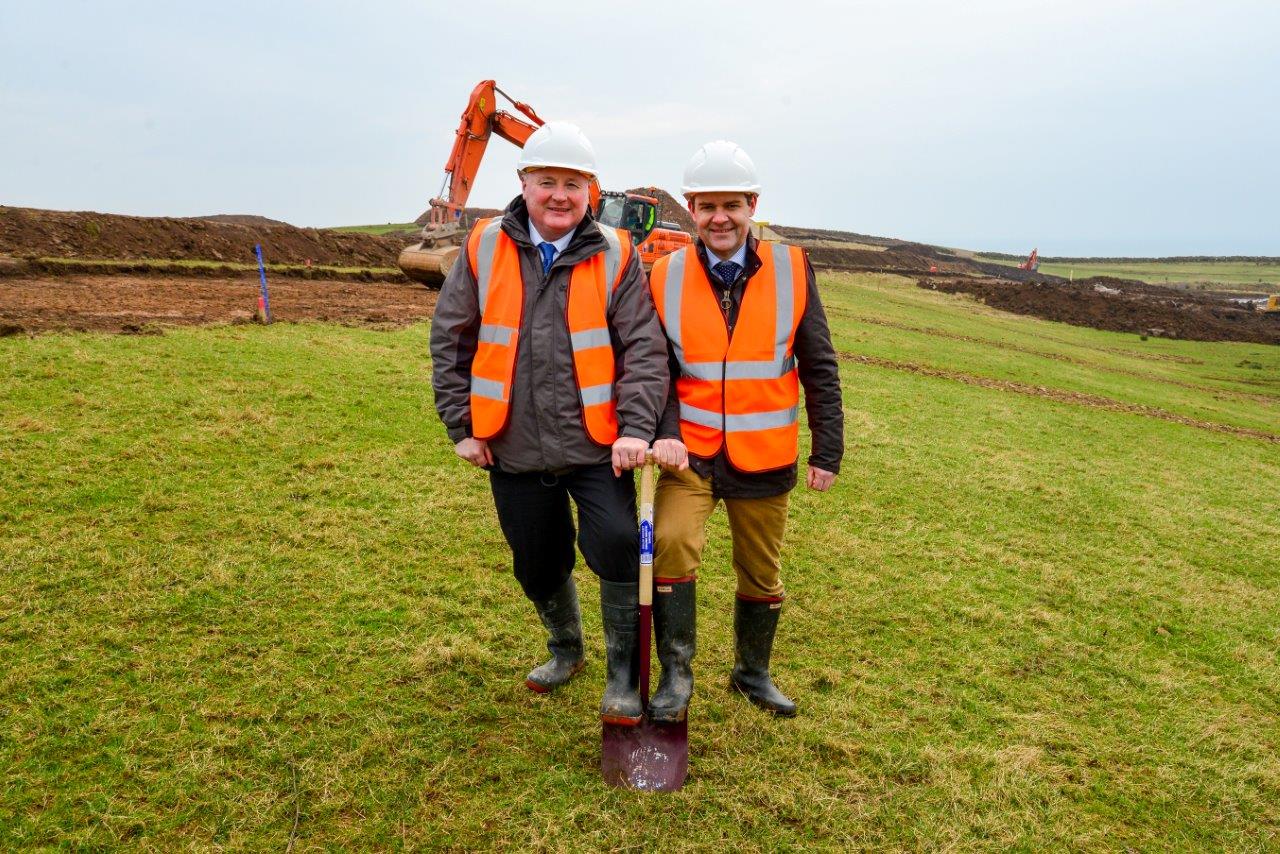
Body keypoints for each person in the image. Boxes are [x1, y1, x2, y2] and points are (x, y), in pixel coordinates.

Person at [430, 121, 668, 726]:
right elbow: (450, 337)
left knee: (618, 545)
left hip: (596, 444)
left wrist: (636, 429)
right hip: (510, 445)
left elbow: (643, 347)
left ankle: (622, 674)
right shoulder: (484, 245)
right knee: (537, 561)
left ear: (590, 188)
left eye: (572, 183)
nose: (559, 195)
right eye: (546, 182)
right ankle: (565, 648)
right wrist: (461, 425)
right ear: (523, 183)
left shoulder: (617, 252)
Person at [646, 140, 844, 720]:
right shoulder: (663, 273)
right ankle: (676, 678)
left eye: (731, 204)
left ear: (752, 204)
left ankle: (752, 672)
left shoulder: (792, 267)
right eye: (706, 206)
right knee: (672, 549)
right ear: (690, 208)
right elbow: (653, 367)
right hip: (691, 453)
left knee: (761, 569)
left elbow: (819, 362)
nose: (719, 218)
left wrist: (827, 448)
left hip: (766, 455)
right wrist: (663, 430)